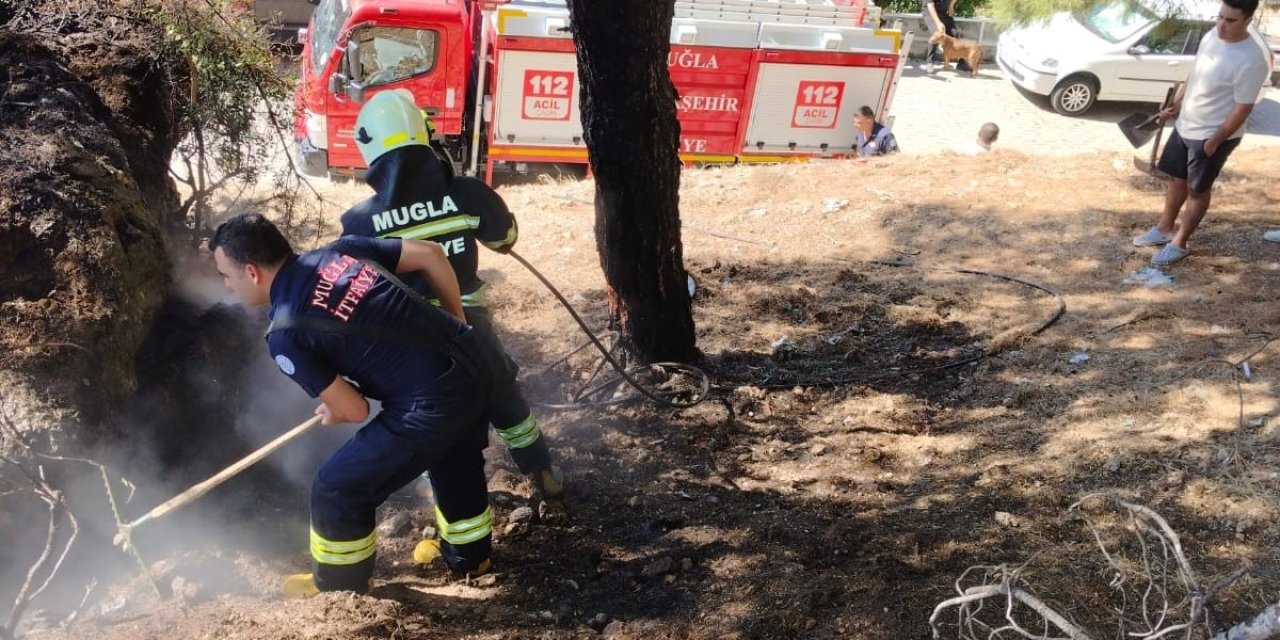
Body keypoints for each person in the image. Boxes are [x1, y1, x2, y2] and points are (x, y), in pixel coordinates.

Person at [210, 212, 495, 597]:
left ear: (251, 272)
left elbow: (355, 410)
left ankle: (339, 589)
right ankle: (472, 560)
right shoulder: (342, 251)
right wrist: (457, 326)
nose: (227, 286)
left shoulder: (285, 335)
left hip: (433, 403)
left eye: (226, 276)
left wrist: (335, 410)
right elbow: (430, 254)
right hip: (474, 361)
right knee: (453, 454)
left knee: (336, 488)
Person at [339, 89, 564, 504]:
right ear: (425, 135)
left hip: (415, 343)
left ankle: (443, 490)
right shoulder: (466, 193)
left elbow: (358, 289)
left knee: (439, 415)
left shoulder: (359, 222)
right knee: (502, 393)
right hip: (472, 326)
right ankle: (541, 469)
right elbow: (504, 239)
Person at [1131, 0, 1270, 266]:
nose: (1221, 25)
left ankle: (1179, 243)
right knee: (1176, 179)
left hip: (1212, 135)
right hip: (1186, 125)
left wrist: (1215, 141)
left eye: (1230, 20)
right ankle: (1164, 228)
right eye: (1220, 17)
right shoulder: (1211, 37)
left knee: (1197, 190)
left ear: (1248, 20)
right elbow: (1194, 74)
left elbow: (1242, 108)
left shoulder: (1251, 60)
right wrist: (1175, 106)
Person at [922, 0, 967, 74]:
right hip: (930, 13)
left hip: (943, 12)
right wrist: (938, 23)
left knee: (955, 34)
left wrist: (950, 6)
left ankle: (961, 63)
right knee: (937, 33)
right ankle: (929, 62)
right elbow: (930, 6)